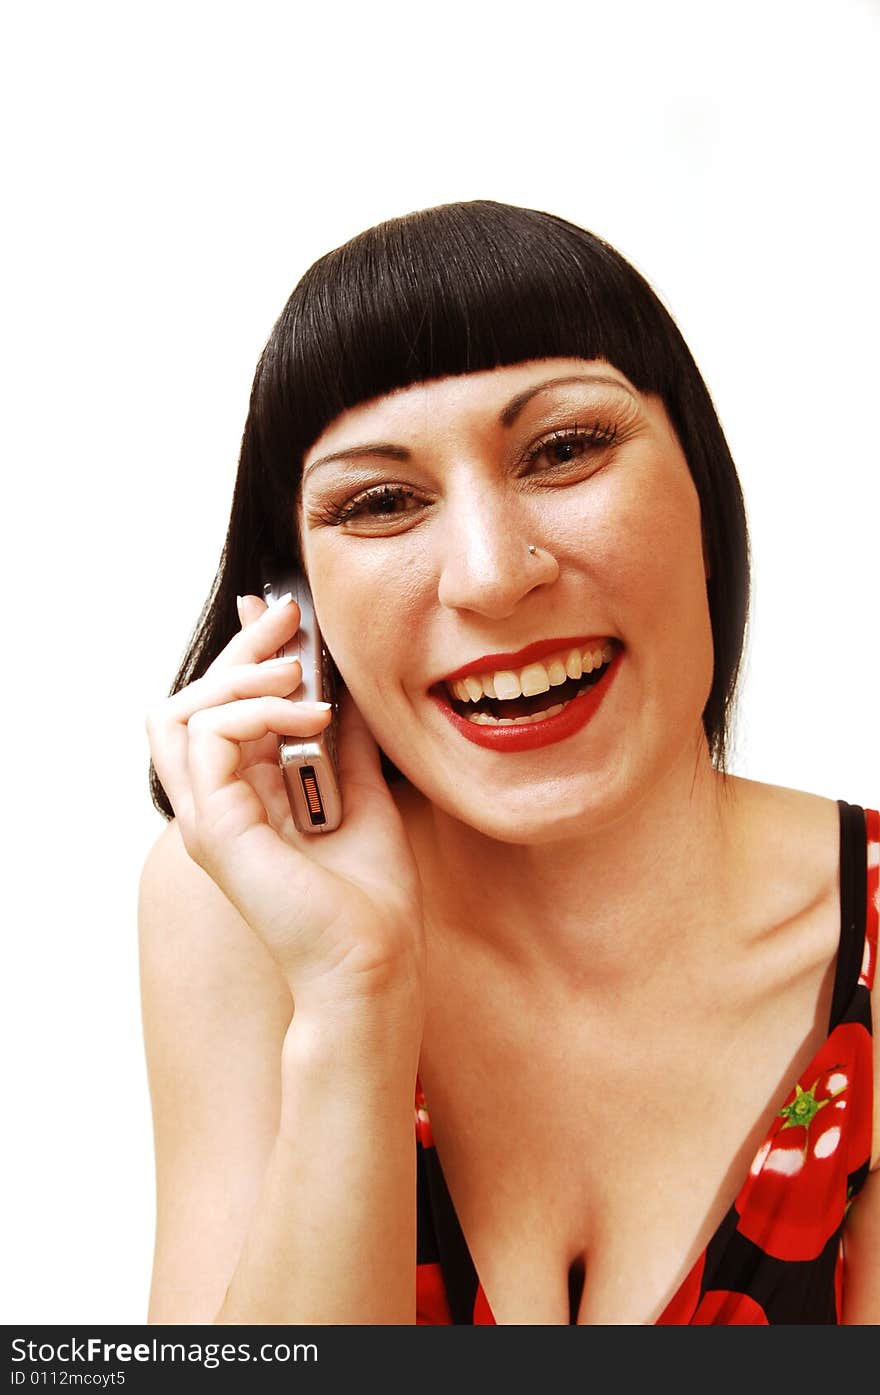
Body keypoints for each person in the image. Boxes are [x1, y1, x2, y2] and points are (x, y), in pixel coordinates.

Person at [141, 200, 878, 1325]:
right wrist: (352, 996)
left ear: (702, 487)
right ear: (291, 611)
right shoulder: (244, 912)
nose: (490, 577)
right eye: (381, 503)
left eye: (564, 450)